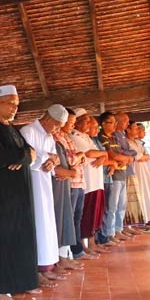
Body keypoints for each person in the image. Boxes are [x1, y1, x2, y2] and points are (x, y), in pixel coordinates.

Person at [0, 85, 39, 300]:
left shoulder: (13, 128)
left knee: (21, 237)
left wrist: (21, 157)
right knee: (3, 238)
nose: (14, 108)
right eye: (10, 103)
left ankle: (22, 281)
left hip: (21, 194)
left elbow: (30, 153)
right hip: (1, 196)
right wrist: (22, 156)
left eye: (16, 104)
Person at [21, 105, 70, 287]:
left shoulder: (49, 135)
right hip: (32, 183)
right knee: (38, 224)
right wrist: (46, 158)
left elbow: (54, 156)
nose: (57, 130)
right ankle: (36, 269)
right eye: (57, 125)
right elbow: (30, 157)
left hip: (45, 183)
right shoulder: (28, 131)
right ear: (48, 118)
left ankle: (47, 266)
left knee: (47, 224)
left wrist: (53, 160)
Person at [71, 111, 109, 256]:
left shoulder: (87, 137)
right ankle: (82, 246)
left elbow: (100, 153)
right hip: (87, 182)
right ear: (77, 122)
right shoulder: (75, 136)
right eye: (86, 121)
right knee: (85, 216)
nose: (88, 124)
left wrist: (103, 155)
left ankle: (92, 243)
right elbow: (91, 154)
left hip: (96, 182)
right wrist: (103, 154)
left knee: (95, 214)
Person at [54, 109, 90, 261]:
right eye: (70, 123)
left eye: (73, 123)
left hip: (79, 181)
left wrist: (81, 156)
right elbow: (69, 161)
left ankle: (76, 250)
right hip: (70, 183)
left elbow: (83, 159)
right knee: (69, 219)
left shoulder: (67, 138)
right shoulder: (57, 138)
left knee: (77, 217)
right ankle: (73, 252)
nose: (72, 125)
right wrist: (80, 156)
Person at [97, 111, 133, 245]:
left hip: (121, 173)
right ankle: (109, 233)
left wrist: (126, 158)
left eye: (115, 123)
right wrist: (127, 158)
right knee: (111, 207)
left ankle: (118, 229)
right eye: (111, 122)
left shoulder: (114, 137)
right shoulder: (102, 137)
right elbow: (114, 156)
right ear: (103, 124)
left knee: (121, 205)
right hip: (112, 176)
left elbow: (121, 154)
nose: (114, 125)